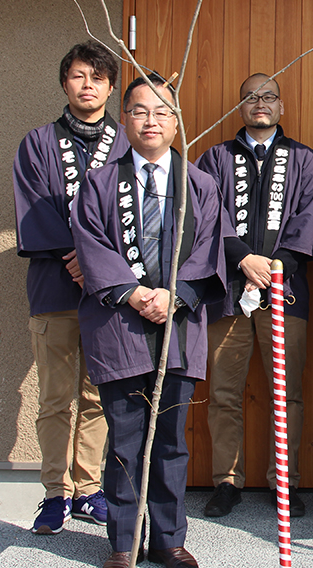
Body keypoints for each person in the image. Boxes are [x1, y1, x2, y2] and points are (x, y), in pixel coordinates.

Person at [70, 74, 228, 568]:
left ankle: (167, 539)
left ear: (177, 122)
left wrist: (174, 295)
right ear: (124, 119)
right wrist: (136, 293)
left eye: (162, 111)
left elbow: (209, 251)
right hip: (119, 324)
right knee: (124, 439)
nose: (151, 120)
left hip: (177, 326)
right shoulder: (98, 183)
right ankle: (122, 543)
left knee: (170, 442)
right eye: (140, 111)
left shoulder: (199, 184)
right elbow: (91, 245)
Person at [197, 72, 313, 520]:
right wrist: (243, 260)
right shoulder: (214, 158)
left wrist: (274, 270)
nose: (260, 103)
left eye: (269, 96)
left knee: (287, 394)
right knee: (223, 393)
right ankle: (226, 482)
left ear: (281, 107)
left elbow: (310, 220)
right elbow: (203, 218)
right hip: (227, 292)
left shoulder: (304, 160)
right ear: (240, 107)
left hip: (285, 292)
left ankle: (284, 483)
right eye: (251, 97)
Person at [13, 40, 129, 535]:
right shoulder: (37, 143)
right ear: (65, 82)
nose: (88, 86)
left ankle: (89, 489)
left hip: (106, 294)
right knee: (55, 397)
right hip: (55, 289)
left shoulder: (127, 143)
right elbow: (35, 208)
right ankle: (55, 494)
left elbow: (132, 216)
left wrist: (99, 265)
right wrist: (80, 259)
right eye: (79, 76)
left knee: (98, 395)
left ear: (110, 87)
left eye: (98, 78)